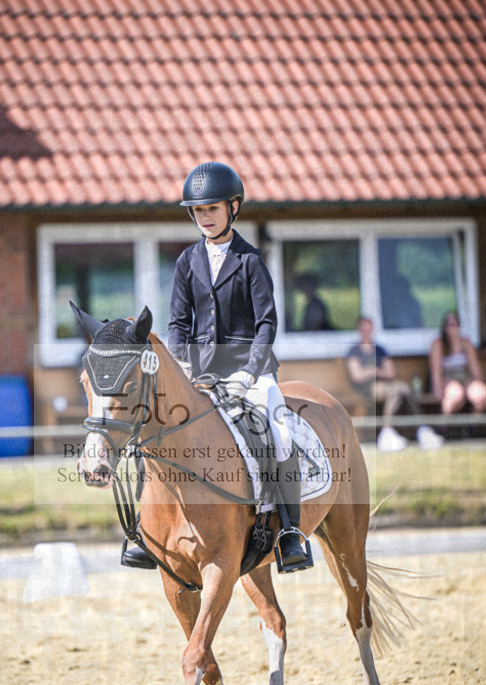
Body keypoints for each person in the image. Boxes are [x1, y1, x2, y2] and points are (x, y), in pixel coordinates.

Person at [123, 161, 313, 573]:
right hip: (201, 372)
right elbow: (178, 323)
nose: (205, 216)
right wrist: (183, 365)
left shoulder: (250, 260)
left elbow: (267, 324)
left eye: (212, 208)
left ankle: (289, 532)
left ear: (233, 207)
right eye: (198, 210)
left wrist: (248, 373)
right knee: (151, 430)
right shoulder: (187, 261)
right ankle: (143, 529)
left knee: (279, 433)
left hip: (250, 372)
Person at [346, 316, 443, 451]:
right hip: (367, 389)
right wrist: (379, 371)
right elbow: (357, 376)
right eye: (364, 328)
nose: (367, 331)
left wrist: (370, 370)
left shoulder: (380, 350)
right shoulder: (354, 351)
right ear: (359, 329)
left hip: (386, 386)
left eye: (369, 328)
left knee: (404, 388)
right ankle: (387, 433)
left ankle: (422, 430)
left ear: (373, 329)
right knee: (395, 391)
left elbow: (391, 373)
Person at [429, 311, 486, 417]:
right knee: (455, 393)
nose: (454, 328)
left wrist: (475, 384)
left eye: (457, 324)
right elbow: (436, 373)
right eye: (451, 325)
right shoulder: (438, 344)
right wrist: (438, 389)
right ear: (445, 328)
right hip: (446, 380)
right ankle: (444, 423)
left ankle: (473, 424)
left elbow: (476, 371)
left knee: (481, 394)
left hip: (465, 379)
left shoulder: (466, 344)